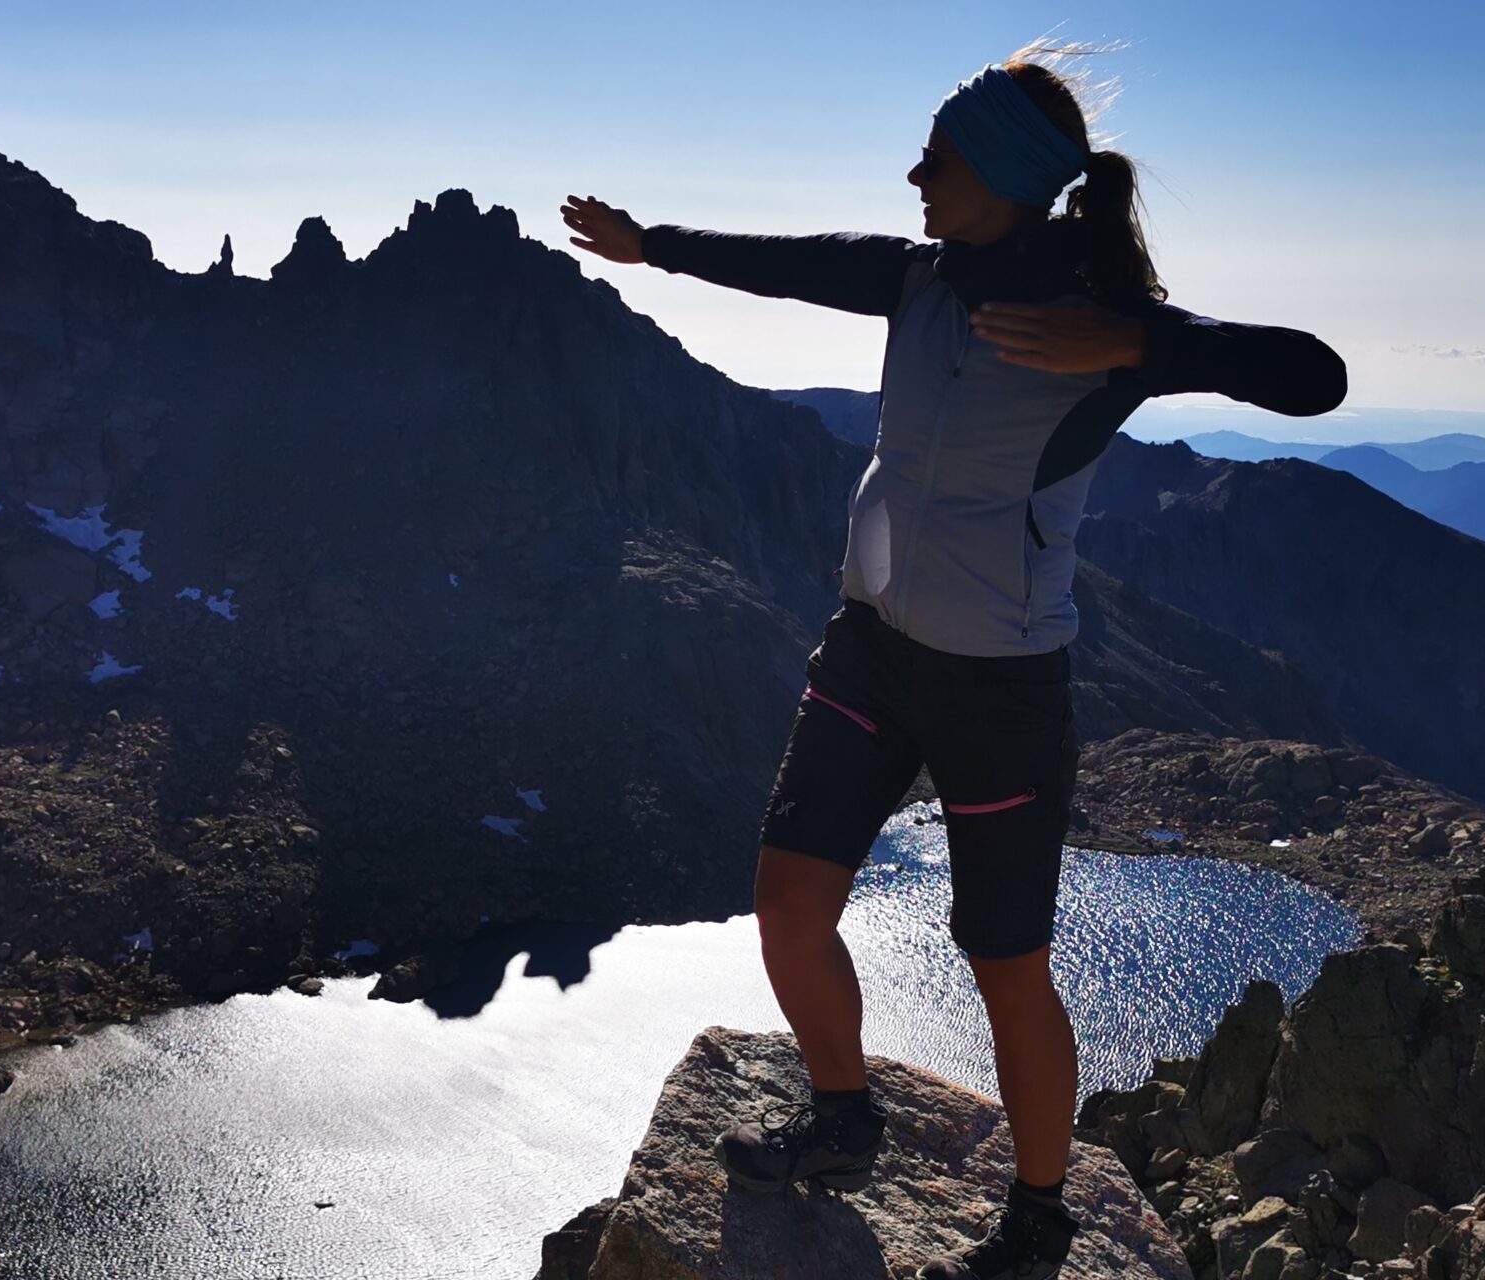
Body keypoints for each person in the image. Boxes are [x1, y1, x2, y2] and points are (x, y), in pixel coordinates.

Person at [559, 48, 1345, 1280]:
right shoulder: (917, 279)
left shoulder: (1102, 323)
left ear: (1009, 177)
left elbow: (1314, 374)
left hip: (998, 686)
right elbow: (785, 262)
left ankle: (1038, 1218)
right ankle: (842, 1114)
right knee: (785, 900)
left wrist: (1124, 337)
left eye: (940, 154)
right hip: (871, 648)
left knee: (1005, 963)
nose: (913, 172)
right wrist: (649, 243)